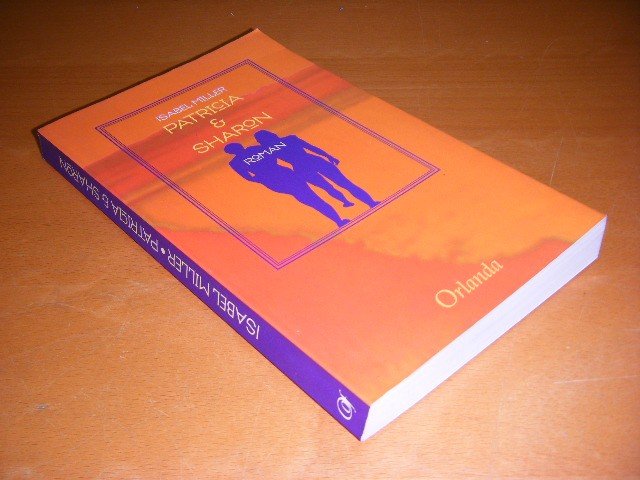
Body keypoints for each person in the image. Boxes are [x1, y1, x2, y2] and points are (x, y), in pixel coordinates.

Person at [224, 142, 349, 227]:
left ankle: (338, 219)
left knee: (311, 197)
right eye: (235, 148)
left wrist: (262, 176)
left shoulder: (255, 149)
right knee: (310, 198)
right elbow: (247, 176)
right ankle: (338, 220)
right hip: (276, 178)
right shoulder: (238, 161)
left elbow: (271, 159)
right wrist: (262, 177)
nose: (238, 147)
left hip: (282, 174)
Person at [253, 130, 379, 208]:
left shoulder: (281, 144)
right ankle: (356, 202)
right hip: (307, 165)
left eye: (260, 140)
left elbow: (311, 147)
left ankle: (368, 202)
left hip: (306, 165)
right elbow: (311, 148)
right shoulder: (281, 144)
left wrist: (328, 156)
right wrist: (328, 156)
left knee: (337, 185)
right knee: (333, 185)